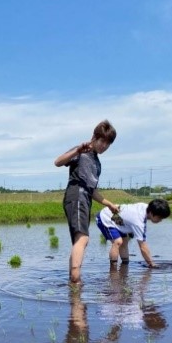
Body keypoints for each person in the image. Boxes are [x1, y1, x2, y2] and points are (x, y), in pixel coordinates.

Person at [54, 120, 119, 284]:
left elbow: (92, 190)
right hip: (76, 195)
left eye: (108, 143)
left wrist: (109, 203)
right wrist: (76, 150)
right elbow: (58, 162)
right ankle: (76, 280)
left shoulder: (97, 162)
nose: (104, 146)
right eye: (102, 141)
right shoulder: (82, 151)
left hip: (85, 198)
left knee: (78, 241)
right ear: (94, 137)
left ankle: (73, 282)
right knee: (83, 239)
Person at [96, 198, 171, 268]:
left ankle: (124, 267)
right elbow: (143, 246)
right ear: (151, 213)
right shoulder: (139, 221)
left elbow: (128, 218)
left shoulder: (146, 208)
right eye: (160, 218)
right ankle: (113, 269)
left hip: (117, 218)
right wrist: (151, 263)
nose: (161, 220)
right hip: (105, 216)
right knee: (118, 241)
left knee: (124, 241)